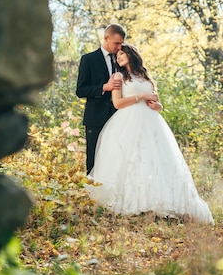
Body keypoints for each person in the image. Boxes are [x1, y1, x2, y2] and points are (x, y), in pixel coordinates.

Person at [87, 43, 214, 224]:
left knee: (153, 160)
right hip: (128, 121)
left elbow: (157, 103)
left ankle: (157, 203)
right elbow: (117, 103)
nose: (119, 57)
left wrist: (156, 105)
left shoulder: (145, 76)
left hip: (151, 122)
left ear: (131, 54)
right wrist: (141, 97)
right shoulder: (118, 76)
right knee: (131, 160)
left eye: (122, 54)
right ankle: (131, 205)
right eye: (117, 56)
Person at [76, 23, 126, 175]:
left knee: (117, 160)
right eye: (116, 43)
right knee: (94, 161)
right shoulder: (89, 59)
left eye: (121, 44)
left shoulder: (122, 60)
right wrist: (104, 87)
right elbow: (80, 90)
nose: (119, 47)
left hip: (119, 119)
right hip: (96, 119)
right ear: (106, 38)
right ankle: (90, 196)